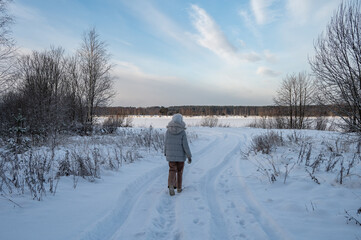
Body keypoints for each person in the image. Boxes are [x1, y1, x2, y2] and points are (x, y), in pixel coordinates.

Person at [164, 113, 192, 196]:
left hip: (171, 155)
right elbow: (185, 145)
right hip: (180, 156)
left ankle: (171, 185)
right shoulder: (182, 132)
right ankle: (179, 188)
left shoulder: (168, 131)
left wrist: (165, 152)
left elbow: (166, 143)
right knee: (179, 171)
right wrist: (189, 155)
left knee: (172, 170)